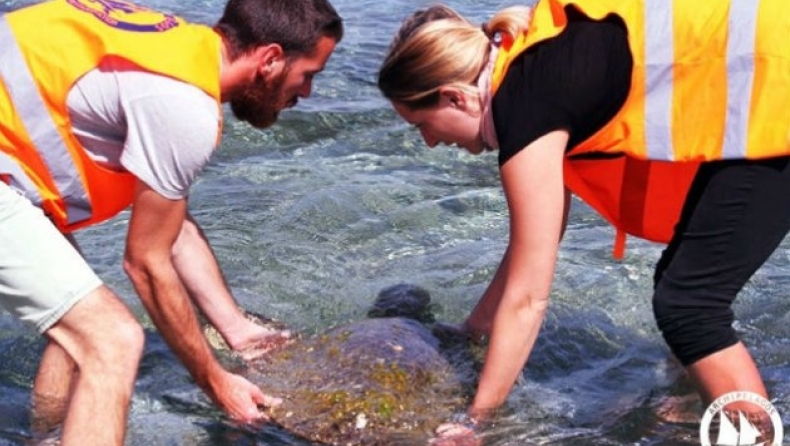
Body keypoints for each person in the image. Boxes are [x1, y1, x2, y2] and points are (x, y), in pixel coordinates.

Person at [378, 0, 790, 441]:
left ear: (455, 97)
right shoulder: (529, 59)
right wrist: (474, 330)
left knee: (690, 306)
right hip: (765, 75)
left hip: (774, 91)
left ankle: (754, 438)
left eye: (421, 123)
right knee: (684, 288)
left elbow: (528, 299)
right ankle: (700, 391)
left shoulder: (527, 107)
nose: (428, 143)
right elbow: (532, 249)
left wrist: (475, 422)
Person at [0, 0, 342, 443]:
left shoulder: (171, 48)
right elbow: (145, 263)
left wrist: (236, 330)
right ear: (271, 60)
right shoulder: (181, 103)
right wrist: (216, 381)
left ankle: (46, 437)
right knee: (112, 341)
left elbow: (170, 223)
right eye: (310, 74)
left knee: (76, 320)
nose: (308, 93)